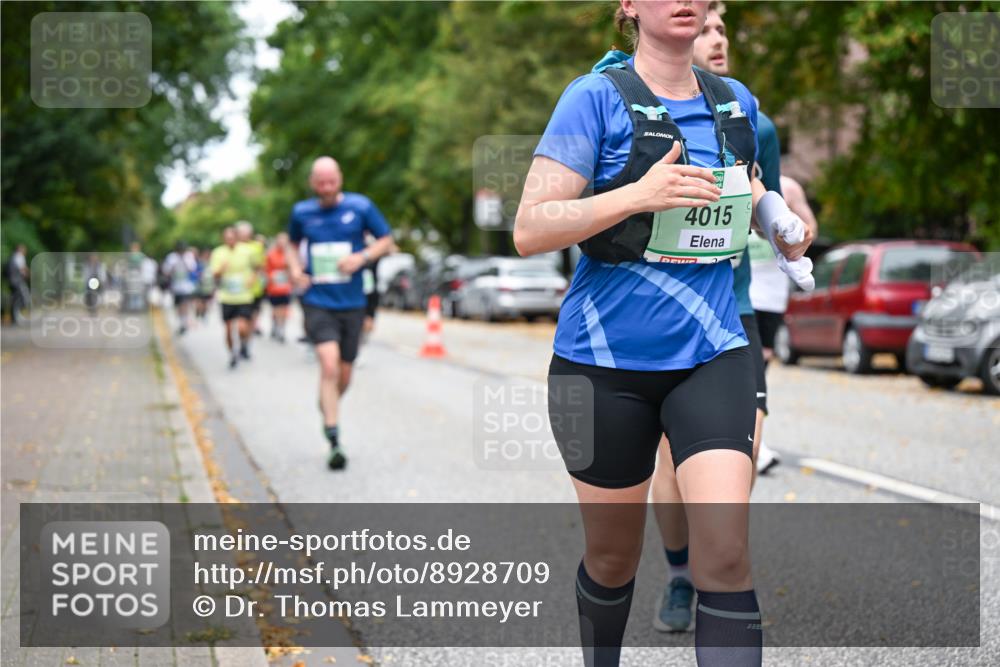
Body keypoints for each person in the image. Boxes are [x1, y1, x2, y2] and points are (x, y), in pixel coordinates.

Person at [514, 1, 812, 665]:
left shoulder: (734, 103)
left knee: (726, 553)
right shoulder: (594, 99)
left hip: (714, 351)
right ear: (628, 6)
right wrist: (637, 194)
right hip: (602, 363)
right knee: (614, 556)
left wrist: (781, 223)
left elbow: (747, 190)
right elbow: (531, 227)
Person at [649, 0, 785, 635]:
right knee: (671, 469)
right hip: (659, 317)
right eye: (704, 28)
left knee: (738, 458)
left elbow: (767, 202)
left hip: (734, 313)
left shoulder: (751, 119)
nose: (717, 38)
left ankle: (719, 565)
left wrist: (788, 225)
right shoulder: (638, 109)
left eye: (723, 27)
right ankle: (680, 574)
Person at [285, 156, 394, 470]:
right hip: (317, 300)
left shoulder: (360, 207)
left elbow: (386, 241)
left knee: (345, 373)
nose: (327, 188)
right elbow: (292, 246)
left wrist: (361, 257)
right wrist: (295, 269)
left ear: (340, 179)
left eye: (331, 181)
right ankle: (334, 436)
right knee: (329, 365)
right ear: (312, 183)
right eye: (321, 183)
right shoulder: (301, 212)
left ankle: (328, 403)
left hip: (352, 301)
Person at [210, 226, 257, 369]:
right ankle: (232, 354)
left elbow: (258, 268)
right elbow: (215, 274)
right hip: (227, 297)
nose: (230, 241)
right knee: (229, 329)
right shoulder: (218, 252)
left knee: (242, 327)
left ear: (237, 238)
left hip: (243, 296)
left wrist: (252, 279)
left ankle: (244, 344)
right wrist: (221, 270)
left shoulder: (247, 250)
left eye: (232, 238)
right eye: (227, 238)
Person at [162, 242, 198, 334]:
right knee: (178, 306)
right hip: (176, 286)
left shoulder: (188, 256)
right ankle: (181, 321)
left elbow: (193, 268)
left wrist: (185, 262)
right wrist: (172, 267)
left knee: (184, 304)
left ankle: (184, 323)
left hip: (186, 286)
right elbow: (165, 271)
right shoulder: (171, 257)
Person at [265, 232, 293, 342]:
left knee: (285, 308)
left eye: (284, 240)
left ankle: (282, 328)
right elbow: (266, 269)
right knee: (276, 308)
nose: (282, 242)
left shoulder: (290, 254)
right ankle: (276, 325)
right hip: (274, 286)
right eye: (280, 240)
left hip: (286, 286)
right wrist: (270, 277)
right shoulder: (271, 254)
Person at [5, 244, 29, 324]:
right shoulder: (19, 256)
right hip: (17, 282)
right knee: (22, 297)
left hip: (11, 282)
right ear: (20, 250)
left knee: (14, 299)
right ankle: (17, 316)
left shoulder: (12, 256)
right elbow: (23, 268)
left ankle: (14, 318)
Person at [194, 247, 215, 320]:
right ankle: (198, 312)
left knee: (205, 301)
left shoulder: (212, 263)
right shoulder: (200, 263)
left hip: (208, 286)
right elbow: (196, 273)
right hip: (200, 285)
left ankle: (203, 314)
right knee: (199, 300)